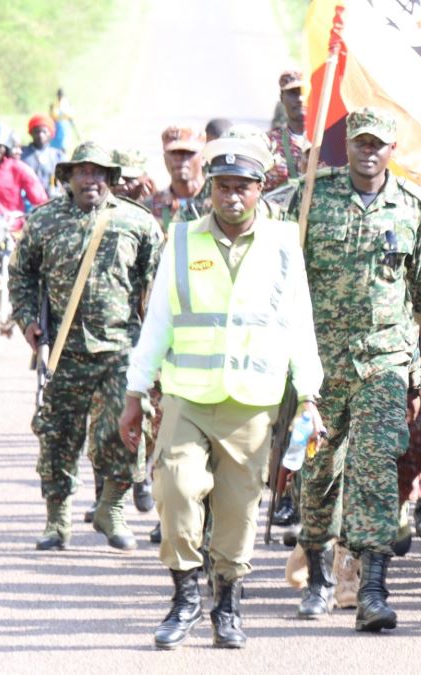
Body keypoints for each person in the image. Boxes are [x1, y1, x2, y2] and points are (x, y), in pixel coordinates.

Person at [118, 137, 323, 649]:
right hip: (187, 397)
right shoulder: (183, 240)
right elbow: (159, 321)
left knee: (238, 511)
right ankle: (185, 596)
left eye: (244, 187)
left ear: (260, 191)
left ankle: (226, 606)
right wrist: (134, 391)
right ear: (210, 189)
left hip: (253, 402)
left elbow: (299, 323)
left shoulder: (283, 244)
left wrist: (310, 396)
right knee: (175, 491)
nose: (233, 197)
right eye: (224, 187)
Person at [292, 107, 421, 633]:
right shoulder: (313, 196)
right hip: (319, 362)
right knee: (318, 473)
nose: (368, 150)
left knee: (378, 469)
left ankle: (372, 587)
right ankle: (316, 570)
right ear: (348, 145)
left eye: (378, 143)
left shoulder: (410, 207)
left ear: (391, 149)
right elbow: (285, 279)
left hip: (384, 361)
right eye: (360, 141)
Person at [8, 142, 163, 552]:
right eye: (82, 172)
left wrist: (158, 343)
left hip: (120, 348)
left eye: (99, 173)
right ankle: (57, 521)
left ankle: (111, 509)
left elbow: (158, 286)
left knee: (127, 430)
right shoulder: (43, 222)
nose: (90, 180)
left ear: (112, 178)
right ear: (67, 177)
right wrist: (27, 321)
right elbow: (21, 275)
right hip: (63, 350)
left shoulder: (138, 223)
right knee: (58, 436)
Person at [147, 126, 208, 231]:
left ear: (203, 158)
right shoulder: (150, 206)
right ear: (164, 157)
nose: (179, 158)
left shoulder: (218, 202)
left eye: (188, 152)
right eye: (173, 152)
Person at [266, 70, 310, 190]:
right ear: (282, 98)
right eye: (293, 93)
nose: (300, 99)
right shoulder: (269, 142)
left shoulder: (326, 141)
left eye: (304, 92)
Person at [21, 115, 65, 198]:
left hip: (53, 199)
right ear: (31, 133)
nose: (40, 135)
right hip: (28, 200)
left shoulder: (58, 155)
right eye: (37, 132)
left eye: (44, 132)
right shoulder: (22, 154)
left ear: (51, 133)